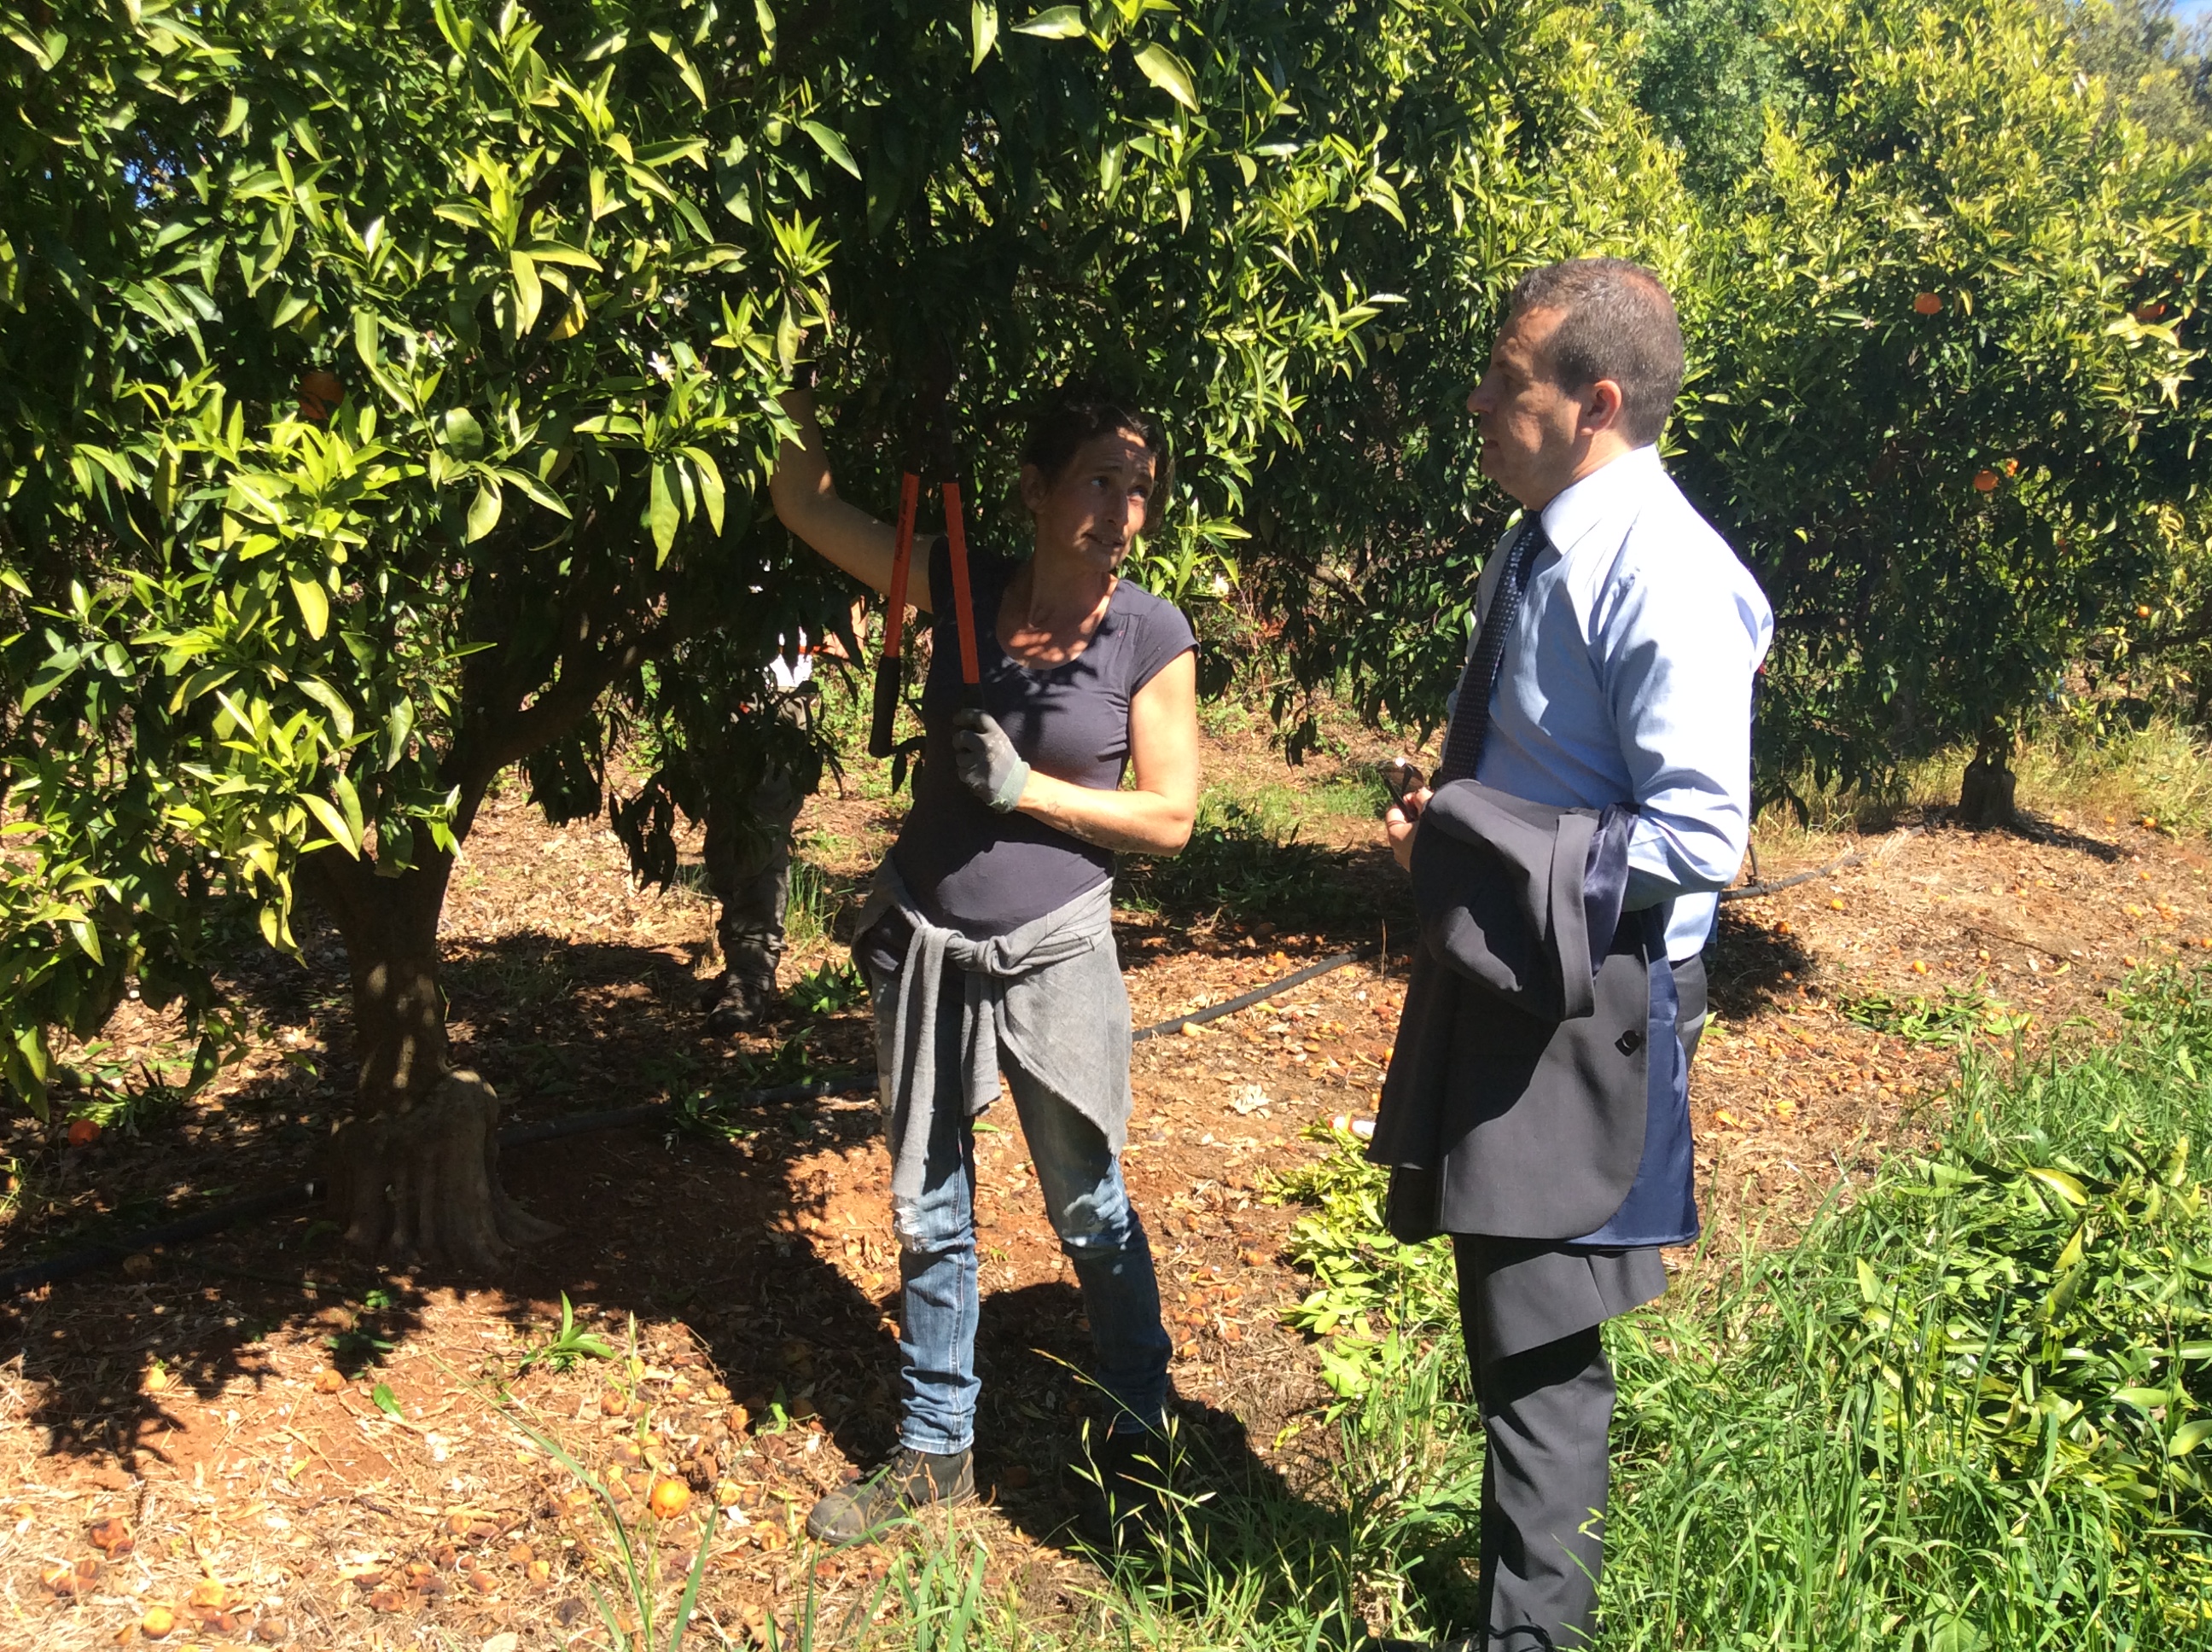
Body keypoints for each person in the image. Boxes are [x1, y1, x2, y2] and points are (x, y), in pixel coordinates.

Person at [1373, 259, 1774, 1649]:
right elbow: (1552, 763)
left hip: (1583, 999)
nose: (1479, 402)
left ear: (1595, 402)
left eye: (1507, 379)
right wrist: (1463, 817)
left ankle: (1532, 1636)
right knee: (1502, 1308)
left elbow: (1702, 838)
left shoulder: (1659, 570)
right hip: (1509, 977)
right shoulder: (1542, 533)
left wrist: (1495, 841)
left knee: (1540, 1344)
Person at [766, 376, 1199, 1546]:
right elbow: (803, 502)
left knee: (1088, 1205)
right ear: (1037, 490)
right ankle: (936, 1449)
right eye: (1099, 481)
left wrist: (1031, 789)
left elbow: (1170, 817)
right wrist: (793, 325)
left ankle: (1142, 1424)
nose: (1121, 509)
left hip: (1057, 945)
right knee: (927, 1203)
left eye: (1139, 488)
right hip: (927, 942)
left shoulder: (1148, 634)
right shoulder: (955, 589)